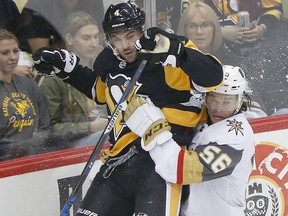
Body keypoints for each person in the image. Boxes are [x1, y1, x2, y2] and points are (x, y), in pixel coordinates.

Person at [33, 1, 223, 215]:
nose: (124, 45)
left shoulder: (163, 51)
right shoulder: (110, 61)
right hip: (118, 163)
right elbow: (101, 92)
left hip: (160, 165)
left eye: (130, 36)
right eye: (116, 38)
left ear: (141, 30)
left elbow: (213, 77)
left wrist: (176, 51)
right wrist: (69, 71)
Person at [124, 64, 255, 216]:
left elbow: (179, 170)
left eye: (226, 102)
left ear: (240, 101)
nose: (217, 109)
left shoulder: (236, 137)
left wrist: (152, 129)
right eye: (213, 99)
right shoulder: (202, 118)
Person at [39, 11, 108, 149]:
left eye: (96, 37)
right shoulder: (53, 78)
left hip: (104, 134)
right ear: (70, 39)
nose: (94, 43)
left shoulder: (105, 70)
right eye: (86, 38)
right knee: (109, 138)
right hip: (72, 145)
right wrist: (90, 127)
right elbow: (49, 130)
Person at [0, 29, 50, 161]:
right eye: (5, 53)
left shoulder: (29, 85)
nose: (13, 57)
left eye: (16, 51)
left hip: (33, 155)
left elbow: (44, 126)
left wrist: (31, 146)